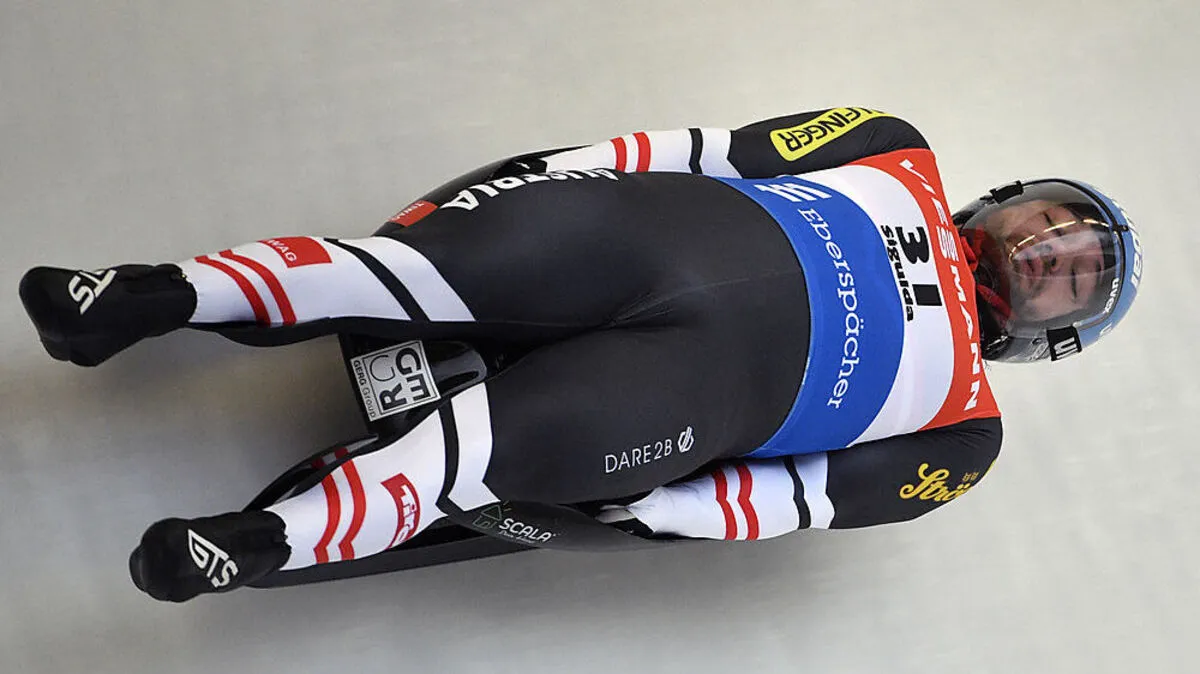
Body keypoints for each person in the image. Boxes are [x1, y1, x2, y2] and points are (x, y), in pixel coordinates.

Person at [18, 107, 1143, 603]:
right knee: (388, 268)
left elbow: (796, 498)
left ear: (1053, 331)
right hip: (631, 235)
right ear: (1009, 196)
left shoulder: (964, 435)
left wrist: (659, 513)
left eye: (1069, 272)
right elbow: (708, 151)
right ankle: (142, 297)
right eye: (1050, 224)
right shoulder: (891, 146)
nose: (1042, 251)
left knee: (471, 454)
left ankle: (255, 543)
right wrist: (563, 171)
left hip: (683, 392)